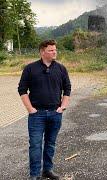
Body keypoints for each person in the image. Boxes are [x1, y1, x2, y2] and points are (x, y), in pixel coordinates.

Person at [18, 39, 71, 180]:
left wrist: (63, 106)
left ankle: (47, 170)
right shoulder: (30, 69)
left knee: (50, 144)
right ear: (42, 52)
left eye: (55, 50)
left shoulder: (61, 68)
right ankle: (34, 174)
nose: (55, 52)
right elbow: (22, 90)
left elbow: (67, 89)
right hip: (37, 115)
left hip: (55, 113)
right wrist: (30, 109)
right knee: (35, 145)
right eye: (51, 50)